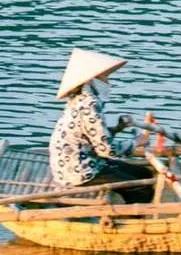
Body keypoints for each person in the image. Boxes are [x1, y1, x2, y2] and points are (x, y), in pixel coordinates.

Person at [49, 49, 150, 194]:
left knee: (144, 173)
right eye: (104, 76)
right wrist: (136, 143)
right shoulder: (90, 104)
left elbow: (92, 135)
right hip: (79, 172)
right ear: (93, 79)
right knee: (142, 188)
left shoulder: (79, 98)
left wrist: (117, 128)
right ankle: (134, 215)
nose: (108, 81)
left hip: (80, 162)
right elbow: (106, 149)